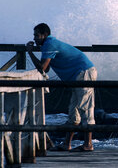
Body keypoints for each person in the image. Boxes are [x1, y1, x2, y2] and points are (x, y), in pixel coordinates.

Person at [26, 23, 97, 152]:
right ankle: (66, 144)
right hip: (78, 75)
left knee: (85, 108)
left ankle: (88, 144)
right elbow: (46, 68)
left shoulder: (49, 44)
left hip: (84, 72)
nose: (34, 38)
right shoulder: (47, 45)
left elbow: (42, 69)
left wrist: (30, 52)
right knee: (73, 110)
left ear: (44, 35)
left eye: (36, 35)